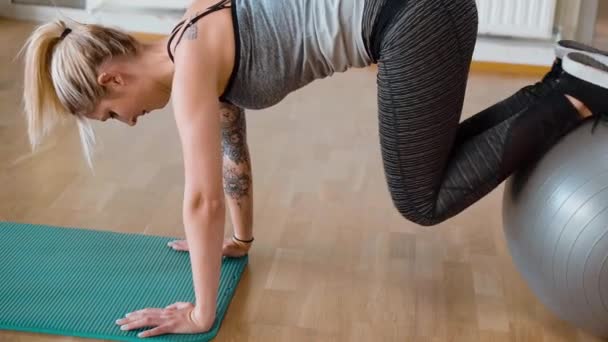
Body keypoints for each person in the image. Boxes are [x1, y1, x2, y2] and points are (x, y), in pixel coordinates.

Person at [19, 0, 608, 337]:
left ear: (112, 78)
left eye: (110, 114)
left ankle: (578, 89)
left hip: (413, 17)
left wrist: (199, 313)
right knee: (432, 164)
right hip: (420, 15)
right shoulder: (189, 36)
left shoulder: (191, 62)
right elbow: (233, 159)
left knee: (420, 198)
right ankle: (565, 84)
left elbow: (200, 199)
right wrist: (241, 240)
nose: (127, 122)